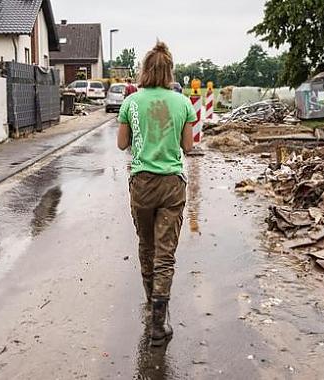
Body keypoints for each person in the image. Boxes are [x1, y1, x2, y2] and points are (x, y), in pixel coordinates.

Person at [117, 41, 196, 346]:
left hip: (142, 185)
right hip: (171, 186)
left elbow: (122, 144)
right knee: (166, 254)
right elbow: (188, 147)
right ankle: (158, 326)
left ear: (145, 70)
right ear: (169, 71)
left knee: (146, 245)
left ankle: (151, 303)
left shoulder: (131, 102)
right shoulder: (183, 103)